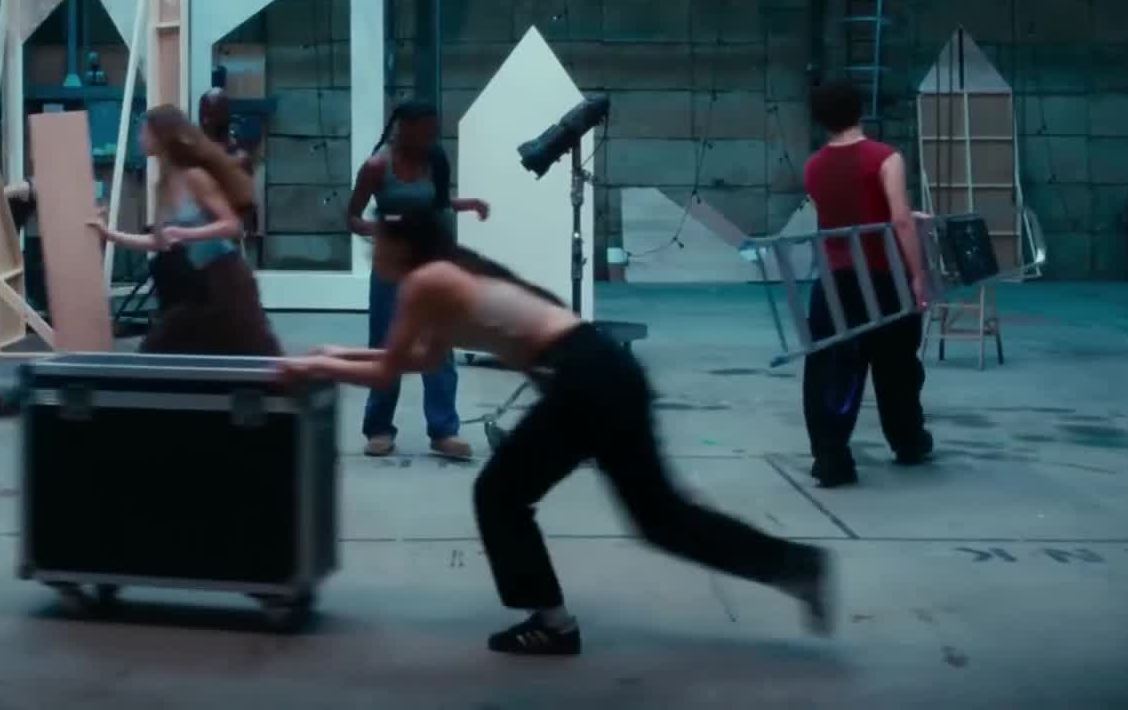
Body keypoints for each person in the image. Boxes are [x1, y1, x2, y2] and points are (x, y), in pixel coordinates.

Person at [277, 203, 834, 655]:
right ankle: (797, 567)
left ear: (403, 245)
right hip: (600, 370)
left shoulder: (426, 282)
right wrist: (335, 353)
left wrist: (317, 365)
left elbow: (389, 371)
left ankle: (552, 624)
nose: (371, 249)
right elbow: (421, 360)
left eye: (377, 240)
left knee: (500, 494)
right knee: (660, 518)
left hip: (581, 377)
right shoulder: (444, 275)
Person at [800, 80, 936, 488]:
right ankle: (908, 441)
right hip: (883, 275)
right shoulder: (885, 157)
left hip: (835, 278)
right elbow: (899, 221)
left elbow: (843, 213)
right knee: (897, 365)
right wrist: (918, 275)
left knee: (830, 367)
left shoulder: (813, 166)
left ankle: (831, 458)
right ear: (859, 110)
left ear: (820, 120)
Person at [344, 101, 491, 460]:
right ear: (404, 129)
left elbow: (437, 202)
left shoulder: (434, 159)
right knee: (385, 345)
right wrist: (383, 230)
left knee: (440, 345)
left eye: (433, 131)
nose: (432, 137)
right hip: (391, 268)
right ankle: (378, 428)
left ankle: (444, 431)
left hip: (431, 263)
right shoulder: (377, 167)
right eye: (425, 131)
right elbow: (352, 217)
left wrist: (467, 203)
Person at [91, 105, 280, 356]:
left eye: (144, 132)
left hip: (225, 281)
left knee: (257, 361)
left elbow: (232, 226)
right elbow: (159, 242)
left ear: (162, 136)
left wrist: (185, 234)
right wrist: (109, 234)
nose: (140, 138)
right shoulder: (164, 185)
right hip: (195, 287)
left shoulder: (195, 178)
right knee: (164, 353)